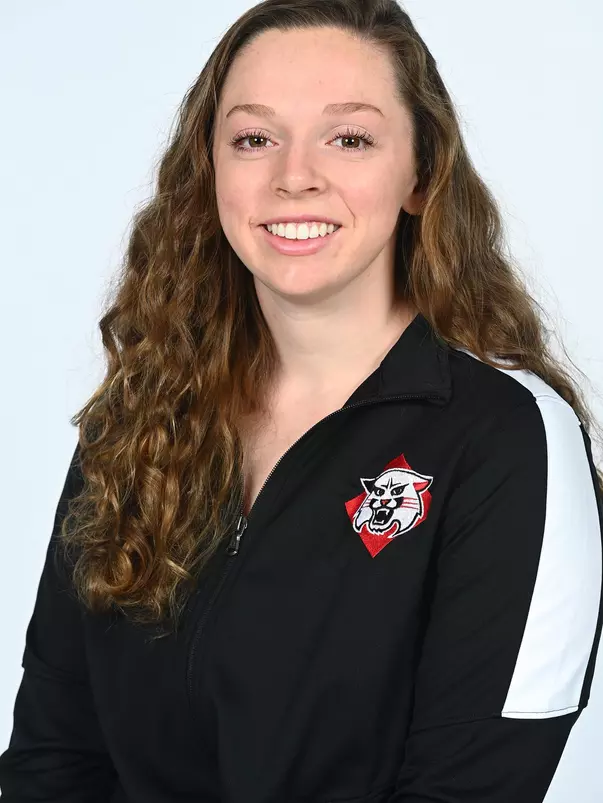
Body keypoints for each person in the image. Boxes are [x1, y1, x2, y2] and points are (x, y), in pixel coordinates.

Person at [1, 1, 602, 801]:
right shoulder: (137, 421)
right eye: (254, 138)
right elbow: (52, 757)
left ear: (421, 176)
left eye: (348, 137)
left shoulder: (508, 439)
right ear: (208, 169)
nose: (294, 174)